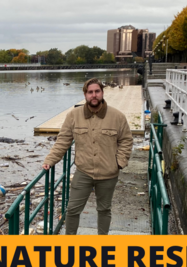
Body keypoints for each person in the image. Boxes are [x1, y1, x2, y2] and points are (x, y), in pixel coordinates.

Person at [42, 78, 133, 235]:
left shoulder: (117, 116)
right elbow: (63, 141)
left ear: (102, 93)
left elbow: (126, 140)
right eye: (90, 92)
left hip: (108, 173)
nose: (94, 95)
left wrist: (119, 162)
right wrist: (50, 160)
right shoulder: (74, 115)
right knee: (72, 210)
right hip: (83, 172)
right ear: (85, 95)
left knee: (104, 209)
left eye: (97, 91)